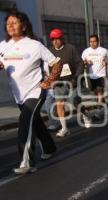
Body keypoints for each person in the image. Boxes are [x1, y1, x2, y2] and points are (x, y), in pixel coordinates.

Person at [0, 11, 62, 174]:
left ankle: (26, 161)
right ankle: (49, 147)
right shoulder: (3, 46)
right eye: (8, 23)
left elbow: (56, 63)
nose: (11, 25)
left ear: (24, 25)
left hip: (36, 90)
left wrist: (48, 81)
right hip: (18, 94)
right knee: (35, 122)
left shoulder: (35, 45)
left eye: (15, 22)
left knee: (25, 122)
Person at [49, 28, 92, 137]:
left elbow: (79, 63)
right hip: (58, 83)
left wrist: (76, 77)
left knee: (75, 103)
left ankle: (85, 115)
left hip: (71, 81)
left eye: (57, 39)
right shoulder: (50, 52)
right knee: (59, 105)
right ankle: (64, 128)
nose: (55, 41)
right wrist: (50, 80)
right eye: (53, 39)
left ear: (62, 38)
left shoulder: (70, 48)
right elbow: (48, 67)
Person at [81, 34, 108, 117]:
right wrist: (86, 62)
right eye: (91, 42)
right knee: (97, 94)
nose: (92, 43)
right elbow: (82, 61)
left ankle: (98, 112)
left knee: (99, 93)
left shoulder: (103, 50)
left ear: (98, 42)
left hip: (101, 75)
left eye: (94, 41)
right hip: (91, 76)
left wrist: (106, 62)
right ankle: (105, 107)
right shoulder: (86, 51)